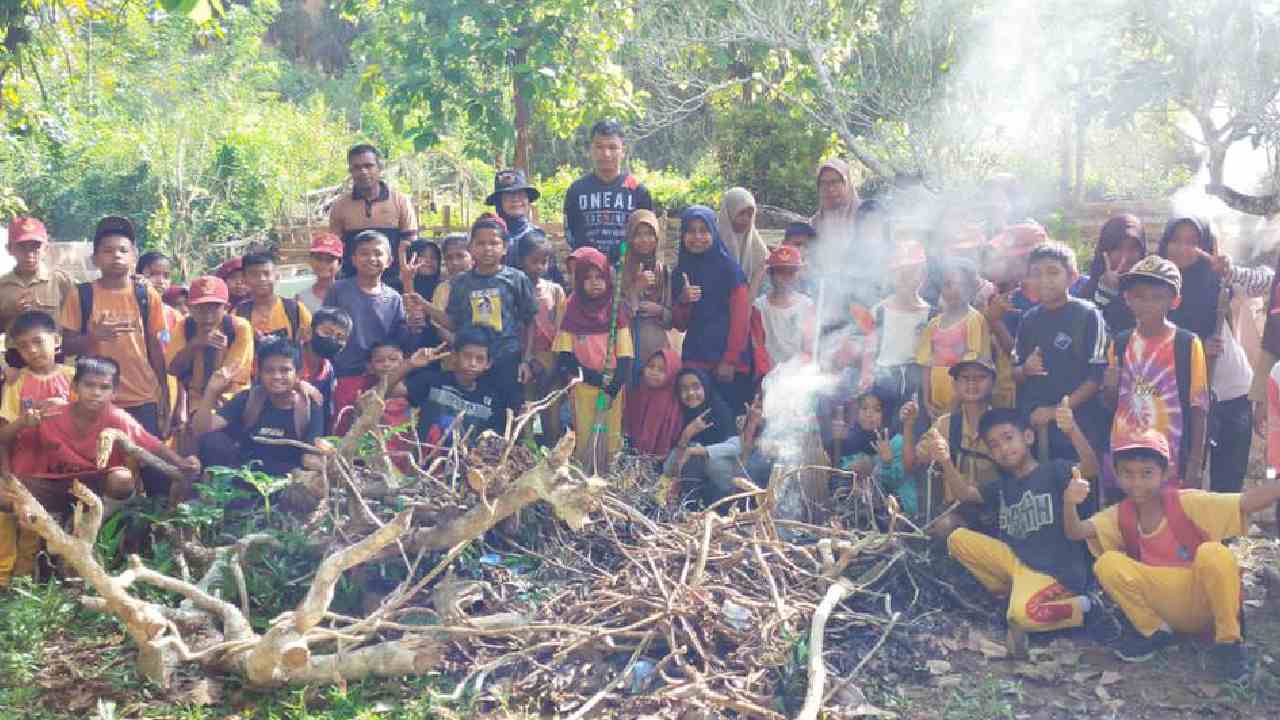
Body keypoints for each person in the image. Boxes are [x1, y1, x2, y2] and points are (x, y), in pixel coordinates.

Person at [1064, 430, 1276, 682]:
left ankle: (1229, 642)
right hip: (1163, 606)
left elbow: (1246, 502)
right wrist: (1069, 502)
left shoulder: (1187, 501)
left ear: (1165, 473)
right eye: (1128, 474)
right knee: (1107, 563)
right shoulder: (1119, 514)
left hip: (1203, 603)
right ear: (1117, 476)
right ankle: (1154, 632)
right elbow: (1076, 532)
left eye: (1146, 473)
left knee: (1214, 553)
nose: (1137, 483)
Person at [945, 405, 1115, 655]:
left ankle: (1084, 606)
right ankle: (1012, 594)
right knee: (957, 539)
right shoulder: (1002, 486)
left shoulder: (1053, 471)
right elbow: (965, 494)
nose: (1003, 448)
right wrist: (944, 460)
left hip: (1054, 571)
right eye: (994, 445)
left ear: (1028, 437)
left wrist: (1071, 430)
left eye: (1008, 438)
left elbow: (1090, 467)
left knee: (1021, 616)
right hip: (1017, 562)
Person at [1, 356, 199, 517]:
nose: (96, 393)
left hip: (96, 485)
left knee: (122, 479)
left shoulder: (117, 417)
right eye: (89, 385)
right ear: (75, 387)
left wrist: (181, 462)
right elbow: (3, 438)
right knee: (4, 497)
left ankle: (101, 522)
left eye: (104, 387)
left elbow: (152, 445)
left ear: (114, 393)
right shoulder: (52, 412)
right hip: (55, 483)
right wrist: (21, 423)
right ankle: (53, 528)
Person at [1159, 217, 1267, 494]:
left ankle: (1225, 537)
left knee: (1228, 480)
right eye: (1176, 240)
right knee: (1188, 477)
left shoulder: (1218, 279)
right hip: (1181, 398)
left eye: (1192, 242)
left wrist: (1230, 272)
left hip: (1230, 391)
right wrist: (1192, 350)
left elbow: (1268, 282)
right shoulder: (1154, 283)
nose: (1183, 249)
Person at [1101, 256, 1208, 491]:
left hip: (1169, 458)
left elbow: (1198, 408)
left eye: (1157, 297)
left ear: (1175, 301)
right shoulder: (1119, 343)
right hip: (1125, 453)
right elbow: (1111, 405)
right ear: (1127, 299)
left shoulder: (1186, 343)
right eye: (1139, 296)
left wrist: (1195, 464)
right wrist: (1110, 386)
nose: (1147, 303)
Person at [58, 216, 170, 437]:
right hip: (95, 396)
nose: (116, 255)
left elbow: (156, 348)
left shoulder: (146, 295)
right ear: (95, 259)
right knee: (101, 464)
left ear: (133, 257)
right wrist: (93, 336)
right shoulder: (80, 294)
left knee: (147, 464)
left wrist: (164, 393)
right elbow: (66, 347)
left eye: (123, 250)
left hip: (143, 396)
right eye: (107, 250)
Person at [1012, 242, 1107, 462]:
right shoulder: (1029, 319)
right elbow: (1014, 371)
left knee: (1078, 487)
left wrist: (1055, 411)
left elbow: (1096, 379)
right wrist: (1025, 369)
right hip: (1035, 425)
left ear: (1072, 276)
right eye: (1036, 273)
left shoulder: (1088, 315)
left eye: (1053, 272)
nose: (1044, 280)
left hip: (1079, 426)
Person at [0, 310, 76, 583]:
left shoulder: (74, 377)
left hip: (69, 466)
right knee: (27, 519)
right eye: (23, 346)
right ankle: (19, 577)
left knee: (75, 517)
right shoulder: (16, 383)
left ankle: (69, 571)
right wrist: (23, 422)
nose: (31, 351)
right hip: (28, 467)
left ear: (56, 341)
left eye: (37, 341)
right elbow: (3, 435)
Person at [193, 337, 326, 477]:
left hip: (287, 480)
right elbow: (202, 430)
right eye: (269, 370)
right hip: (245, 476)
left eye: (285, 370)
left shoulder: (310, 407)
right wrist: (211, 391)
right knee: (212, 441)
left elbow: (311, 456)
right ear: (260, 373)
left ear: (298, 373)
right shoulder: (248, 398)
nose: (276, 376)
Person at [904, 352, 1000, 537]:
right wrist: (909, 425)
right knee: (944, 525)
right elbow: (911, 464)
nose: (972, 384)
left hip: (997, 512)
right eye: (965, 378)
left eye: (980, 377)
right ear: (955, 385)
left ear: (993, 384)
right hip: (959, 514)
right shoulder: (945, 425)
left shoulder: (1004, 425)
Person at [443, 214, 537, 404]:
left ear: (505, 247)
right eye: (480, 243)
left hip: (507, 359)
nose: (487, 248)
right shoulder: (461, 283)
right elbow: (452, 323)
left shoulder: (516, 279)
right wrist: (425, 307)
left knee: (509, 411)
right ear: (471, 248)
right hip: (472, 364)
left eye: (494, 243)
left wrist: (526, 361)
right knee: (475, 412)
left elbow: (530, 322)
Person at [555, 247, 634, 471]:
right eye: (587, 278)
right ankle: (584, 474)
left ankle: (610, 480)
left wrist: (612, 387)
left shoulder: (615, 311)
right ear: (578, 281)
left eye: (599, 276)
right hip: (584, 389)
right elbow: (566, 356)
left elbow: (626, 355)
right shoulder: (572, 311)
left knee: (611, 436)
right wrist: (594, 379)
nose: (594, 283)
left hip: (612, 390)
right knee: (586, 432)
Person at [671, 206, 755, 416]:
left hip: (728, 364)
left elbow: (741, 320)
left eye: (703, 230)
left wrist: (729, 360)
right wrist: (683, 300)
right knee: (698, 419)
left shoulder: (729, 270)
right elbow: (680, 324)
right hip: (697, 357)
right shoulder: (681, 271)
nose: (697, 237)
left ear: (713, 232)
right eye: (690, 231)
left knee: (729, 421)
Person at [322, 230, 415, 415]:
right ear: (354, 259)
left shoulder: (394, 298)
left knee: (378, 426)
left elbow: (398, 338)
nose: (371, 258)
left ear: (389, 261)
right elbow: (325, 330)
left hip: (382, 375)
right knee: (347, 423)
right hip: (345, 373)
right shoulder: (338, 290)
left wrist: (412, 324)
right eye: (364, 253)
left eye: (378, 253)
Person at [391, 327, 515, 449]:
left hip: (468, 466)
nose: (472, 363)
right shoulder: (433, 381)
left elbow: (494, 442)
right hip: (424, 463)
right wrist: (409, 364)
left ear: (488, 364)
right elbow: (384, 392)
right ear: (454, 356)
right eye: (467, 356)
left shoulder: (493, 400)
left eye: (480, 359)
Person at [563, 120, 654, 261]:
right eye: (599, 147)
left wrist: (621, 256)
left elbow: (646, 235)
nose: (606, 154)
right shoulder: (577, 190)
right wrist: (593, 258)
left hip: (628, 269)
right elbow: (572, 234)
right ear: (590, 149)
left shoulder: (638, 192)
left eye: (612, 147)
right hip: (589, 271)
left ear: (623, 151)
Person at [328, 143, 419, 285]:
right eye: (357, 167)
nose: (363, 171)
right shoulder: (340, 205)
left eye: (368, 166)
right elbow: (335, 247)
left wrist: (404, 277)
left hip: (393, 281)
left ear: (379, 168)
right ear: (350, 171)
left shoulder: (400, 201)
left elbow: (410, 242)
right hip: (352, 282)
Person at [918, 257, 990, 420]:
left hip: (966, 402)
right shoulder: (933, 324)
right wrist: (926, 401)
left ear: (972, 289)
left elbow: (972, 366)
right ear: (941, 289)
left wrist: (954, 403)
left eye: (962, 285)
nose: (955, 291)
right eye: (948, 285)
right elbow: (926, 364)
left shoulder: (974, 320)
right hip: (936, 403)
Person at [165, 276, 255, 405]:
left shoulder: (239, 328)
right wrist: (195, 344)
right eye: (200, 308)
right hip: (197, 399)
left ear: (226, 307)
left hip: (232, 398)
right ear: (190, 308)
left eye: (214, 308)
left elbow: (232, 373)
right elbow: (172, 369)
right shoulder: (184, 326)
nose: (207, 315)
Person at [862, 240, 931, 407]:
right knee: (886, 429)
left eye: (912, 271)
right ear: (891, 275)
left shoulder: (930, 314)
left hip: (915, 383)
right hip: (883, 382)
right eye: (901, 271)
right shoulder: (878, 311)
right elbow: (869, 349)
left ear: (923, 275)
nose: (905, 277)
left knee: (908, 428)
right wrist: (866, 377)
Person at [664, 368, 742, 509]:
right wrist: (686, 435)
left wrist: (699, 451)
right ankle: (690, 511)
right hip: (693, 495)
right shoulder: (679, 417)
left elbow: (737, 446)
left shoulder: (719, 412)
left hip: (724, 491)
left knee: (699, 457)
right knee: (692, 459)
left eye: (696, 387)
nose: (691, 393)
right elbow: (669, 469)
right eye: (684, 389)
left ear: (705, 387)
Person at [0, 217, 73, 369]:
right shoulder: (2, 285)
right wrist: (10, 311)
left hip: (53, 357)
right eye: (22, 247)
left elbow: (75, 320)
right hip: (16, 359)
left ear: (45, 248)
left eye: (35, 247)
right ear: (9, 249)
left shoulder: (60, 280)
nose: (29, 254)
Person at [831, 387, 915, 515]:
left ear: (886, 413)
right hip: (860, 509)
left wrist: (887, 462)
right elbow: (840, 479)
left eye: (877, 410)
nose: (868, 414)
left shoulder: (897, 442)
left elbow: (896, 482)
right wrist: (851, 470)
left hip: (897, 510)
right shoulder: (852, 441)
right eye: (864, 408)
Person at [517, 231, 565, 440]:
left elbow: (562, 330)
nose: (539, 267)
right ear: (521, 261)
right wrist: (526, 360)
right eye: (533, 261)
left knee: (552, 419)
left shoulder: (554, 290)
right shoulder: (513, 287)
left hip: (550, 359)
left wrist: (553, 363)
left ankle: (552, 460)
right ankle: (526, 460)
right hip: (523, 361)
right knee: (525, 419)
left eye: (544, 262)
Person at [620, 210, 673, 383]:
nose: (644, 240)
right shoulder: (619, 271)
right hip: (626, 350)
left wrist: (659, 310)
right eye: (638, 234)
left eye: (650, 234)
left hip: (657, 352)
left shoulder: (663, 272)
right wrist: (636, 288)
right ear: (629, 238)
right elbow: (614, 316)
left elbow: (672, 320)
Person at [488, 168, 565, 286]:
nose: (515, 200)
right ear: (499, 203)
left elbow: (552, 275)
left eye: (520, 195)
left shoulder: (537, 235)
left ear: (528, 200)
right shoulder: (490, 237)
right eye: (508, 196)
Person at [1075, 214, 1147, 337]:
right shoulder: (1089, 290)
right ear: (1105, 250)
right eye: (1117, 248)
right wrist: (1105, 293)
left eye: (1132, 248)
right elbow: (1080, 331)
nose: (1125, 256)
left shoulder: (1153, 287)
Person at [753, 245, 815, 367]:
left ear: (798, 274)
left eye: (791, 272)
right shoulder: (760, 306)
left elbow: (809, 346)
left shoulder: (807, 305)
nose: (785, 278)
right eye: (780, 272)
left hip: (797, 375)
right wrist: (758, 275)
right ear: (770, 274)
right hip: (767, 374)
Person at [237, 253, 312, 345]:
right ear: (244, 279)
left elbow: (311, 345)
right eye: (254, 274)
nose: (262, 279)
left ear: (277, 276)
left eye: (267, 273)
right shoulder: (238, 314)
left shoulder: (295, 310)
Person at [623, 347, 684, 457]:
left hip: (660, 460)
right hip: (631, 454)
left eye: (661, 370)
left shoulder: (673, 403)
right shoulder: (638, 392)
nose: (654, 372)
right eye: (651, 366)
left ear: (672, 373)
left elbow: (673, 435)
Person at [301, 307, 351, 433]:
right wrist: (297, 384)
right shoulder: (288, 357)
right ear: (309, 333)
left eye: (340, 337)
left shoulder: (329, 370)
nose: (333, 339)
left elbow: (327, 413)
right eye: (327, 332)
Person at [717, 187, 770, 297]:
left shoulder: (759, 251)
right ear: (729, 212)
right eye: (741, 213)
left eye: (750, 214)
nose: (746, 219)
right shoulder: (712, 245)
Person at [399, 238, 447, 351]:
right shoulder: (396, 286)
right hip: (406, 349)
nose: (428, 261)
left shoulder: (443, 287)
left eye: (434, 257)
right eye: (423, 256)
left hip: (441, 349)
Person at [295, 232, 345, 312]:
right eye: (318, 258)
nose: (323, 264)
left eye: (329, 260)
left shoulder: (349, 295)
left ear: (340, 264)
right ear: (310, 261)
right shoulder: (301, 298)